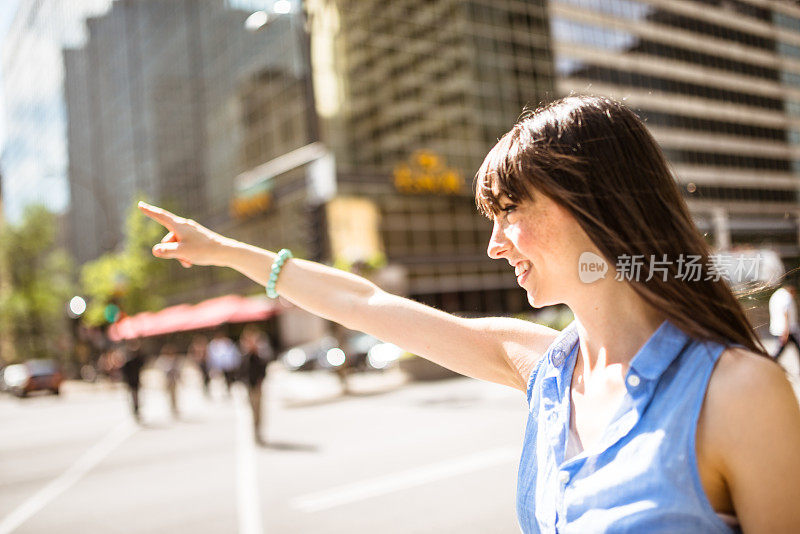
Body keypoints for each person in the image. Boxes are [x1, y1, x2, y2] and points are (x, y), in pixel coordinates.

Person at [139, 95, 800, 532]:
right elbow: (366, 303)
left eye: (511, 211)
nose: (494, 243)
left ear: (595, 202)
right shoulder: (543, 368)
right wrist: (230, 252)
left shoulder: (738, 393)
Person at [238, 325, 273, 445]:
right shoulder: (245, 357)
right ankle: (254, 432)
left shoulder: (259, 356)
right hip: (250, 387)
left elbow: (264, 370)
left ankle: (258, 432)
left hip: (257, 387)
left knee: (259, 411)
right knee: (253, 411)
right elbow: (241, 373)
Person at [769, 284, 800, 368]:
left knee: (779, 351)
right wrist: (785, 332)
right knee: (779, 351)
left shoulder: (776, 295)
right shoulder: (787, 296)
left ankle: (770, 364)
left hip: (778, 329)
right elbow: (785, 313)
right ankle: (769, 365)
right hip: (788, 330)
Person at [207, 329, 241, 395]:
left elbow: (233, 354)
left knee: (229, 380)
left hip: (228, 367)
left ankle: (228, 390)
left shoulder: (228, 343)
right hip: (218, 367)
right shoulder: (213, 344)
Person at [121, 339, 146, 423]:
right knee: (133, 397)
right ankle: (135, 409)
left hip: (135, 381)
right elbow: (124, 372)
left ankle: (136, 409)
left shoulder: (136, 360)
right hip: (131, 382)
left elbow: (142, 361)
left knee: (136, 397)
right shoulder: (128, 361)